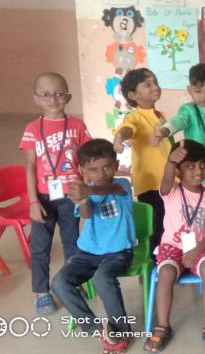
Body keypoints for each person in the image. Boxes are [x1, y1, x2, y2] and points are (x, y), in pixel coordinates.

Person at [52, 139, 136, 354]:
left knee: (102, 278)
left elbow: (110, 188)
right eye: (93, 170)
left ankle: (122, 331)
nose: (101, 173)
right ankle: (98, 329)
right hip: (88, 253)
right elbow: (87, 214)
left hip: (119, 252)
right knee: (60, 282)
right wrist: (82, 200)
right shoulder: (85, 191)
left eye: (107, 167)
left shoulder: (122, 184)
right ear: (83, 171)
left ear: (116, 165)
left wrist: (88, 190)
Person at [19, 72, 92, 314]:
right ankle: (41, 291)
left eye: (59, 94)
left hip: (71, 196)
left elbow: (87, 159)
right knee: (40, 247)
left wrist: (87, 186)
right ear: (36, 98)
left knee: (72, 243)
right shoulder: (32, 129)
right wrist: (33, 202)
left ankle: (71, 283)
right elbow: (30, 166)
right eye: (46, 95)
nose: (53, 99)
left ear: (68, 97)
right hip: (43, 198)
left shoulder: (77, 125)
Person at [144, 140, 205, 353]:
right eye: (191, 166)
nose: (198, 171)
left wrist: (195, 250)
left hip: (202, 246)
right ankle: (163, 326)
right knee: (166, 272)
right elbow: (167, 178)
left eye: (202, 165)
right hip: (172, 246)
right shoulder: (171, 191)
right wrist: (171, 162)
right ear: (179, 171)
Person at [114, 68, 171, 261]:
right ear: (133, 95)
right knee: (155, 224)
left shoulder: (160, 115)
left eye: (156, 83)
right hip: (150, 182)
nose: (155, 87)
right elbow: (127, 129)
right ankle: (154, 262)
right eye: (147, 85)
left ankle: (167, 258)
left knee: (168, 222)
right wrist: (119, 137)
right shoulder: (134, 116)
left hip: (168, 179)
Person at [154, 63, 205, 186]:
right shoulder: (188, 110)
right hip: (197, 170)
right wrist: (163, 131)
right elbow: (179, 121)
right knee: (201, 194)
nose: (203, 96)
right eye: (198, 91)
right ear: (189, 90)